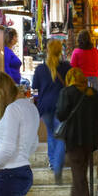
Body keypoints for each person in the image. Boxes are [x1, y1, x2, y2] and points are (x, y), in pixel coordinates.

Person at [56, 67, 98, 196]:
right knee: (81, 167)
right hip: (91, 138)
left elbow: (60, 114)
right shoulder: (93, 93)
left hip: (73, 137)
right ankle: (76, 195)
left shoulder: (66, 92)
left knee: (78, 167)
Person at [31, 38, 71, 184]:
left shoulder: (40, 69)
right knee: (61, 136)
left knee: (50, 134)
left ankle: (53, 162)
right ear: (60, 51)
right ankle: (57, 166)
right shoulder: (66, 67)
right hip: (62, 106)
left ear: (47, 51)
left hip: (45, 106)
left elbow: (35, 87)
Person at [70, 30, 98, 95]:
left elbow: (72, 68)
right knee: (93, 100)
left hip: (81, 79)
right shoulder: (96, 51)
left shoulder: (76, 52)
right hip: (94, 80)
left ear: (79, 40)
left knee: (81, 100)